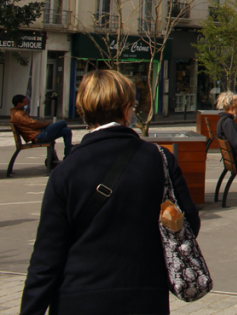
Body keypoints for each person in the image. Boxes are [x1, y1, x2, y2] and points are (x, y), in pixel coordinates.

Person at [20, 69, 199, 315]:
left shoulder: (67, 170)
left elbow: (46, 259)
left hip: (79, 299)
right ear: (126, 109)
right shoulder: (159, 161)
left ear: (83, 111)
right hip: (145, 299)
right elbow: (190, 224)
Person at [10, 94, 73, 163]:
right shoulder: (18, 114)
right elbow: (33, 123)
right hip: (38, 136)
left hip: (38, 134)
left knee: (66, 131)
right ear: (19, 104)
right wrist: (47, 124)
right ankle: (67, 152)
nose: (27, 104)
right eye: (25, 103)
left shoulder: (18, 113)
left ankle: (67, 155)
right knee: (62, 122)